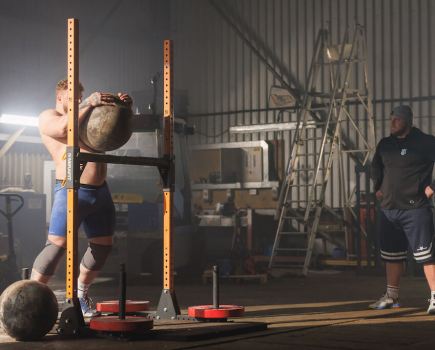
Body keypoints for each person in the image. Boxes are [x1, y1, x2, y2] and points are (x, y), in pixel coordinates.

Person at [31, 79, 132, 317]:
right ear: (59, 96)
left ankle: (81, 294)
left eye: (80, 96)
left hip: (101, 191)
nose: (77, 99)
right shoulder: (48, 116)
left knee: (102, 248)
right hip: (71, 188)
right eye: (72, 96)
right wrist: (87, 104)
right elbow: (64, 130)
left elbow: (113, 134)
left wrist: (123, 109)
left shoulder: (85, 115)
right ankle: (30, 298)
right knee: (56, 248)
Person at [370, 105, 435, 314]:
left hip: (416, 209)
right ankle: (392, 296)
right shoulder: (385, 144)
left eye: (397, 120)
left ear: (407, 120)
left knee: (427, 256)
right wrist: (377, 186)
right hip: (389, 209)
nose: (392, 123)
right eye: (391, 119)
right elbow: (376, 166)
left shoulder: (425, 142)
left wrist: (432, 188)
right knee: (392, 255)